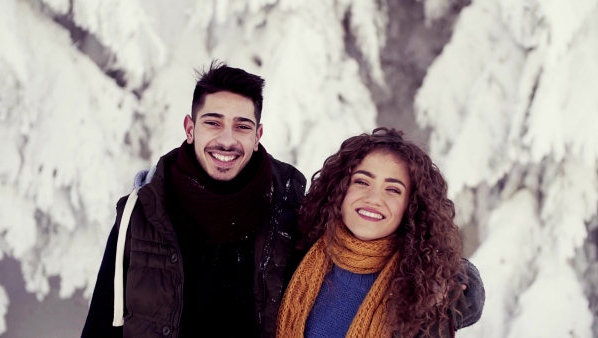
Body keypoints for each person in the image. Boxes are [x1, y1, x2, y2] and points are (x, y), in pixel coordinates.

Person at [81, 62, 307, 337]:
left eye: (242, 126)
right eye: (213, 123)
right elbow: (101, 322)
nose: (227, 140)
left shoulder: (289, 212)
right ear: (190, 128)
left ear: (257, 136)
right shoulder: (143, 212)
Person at [276, 128, 485, 338]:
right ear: (339, 189)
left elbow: (462, 283)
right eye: (362, 182)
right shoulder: (291, 255)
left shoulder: (424, 292)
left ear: (411, 205)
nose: (374, 198)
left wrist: (453, 280)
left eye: (393, 189)